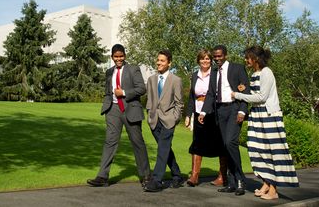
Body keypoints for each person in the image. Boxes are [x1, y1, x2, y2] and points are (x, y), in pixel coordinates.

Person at [231, 46, 299, 200]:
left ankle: (273, 191)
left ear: (255, 58)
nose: (246, 60)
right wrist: (246, 89)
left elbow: (262, 97)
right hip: (257, 116)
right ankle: (266, 183)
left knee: (271, 152)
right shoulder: (256, 73)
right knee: (257, 149)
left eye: (248, 57)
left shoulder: (267, 72)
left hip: (268, 116)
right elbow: (256, 94)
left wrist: (238, 95)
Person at [87, 44, 151, 188]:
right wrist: (107, 105)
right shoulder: (109, 72)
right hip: (113, 111)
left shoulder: (133, 69)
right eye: (116, 57)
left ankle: (146, 176)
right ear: (112, 57)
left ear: (125, 56)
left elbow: (141, 88)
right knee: (109, 142)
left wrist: (124, 92)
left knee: (137, 142)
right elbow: (107, 91)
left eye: (121, 56)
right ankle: (102, 177)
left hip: (131, 109)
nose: (119, 59)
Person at [198, 45, 250, 196]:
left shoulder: (237, 68)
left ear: (225, 55)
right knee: (225, 147)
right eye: (215, 57)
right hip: (220, 111)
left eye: (219, 56)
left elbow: (245, 90)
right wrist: (203, 112)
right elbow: (210, 94)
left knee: (230, 142)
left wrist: (242, 110)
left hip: (234, 109)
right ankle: (231, 182)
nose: (217, 59)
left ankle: (240, 179)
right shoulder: (214, 72)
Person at [185, 49, 228, 187]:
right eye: (202, 58)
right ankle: (194, 175)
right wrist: (188, 114)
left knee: (220, 143)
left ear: (211, 61)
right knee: (197, 143)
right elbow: (191, 97)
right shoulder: (194, 75)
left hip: (214, 112)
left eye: (208, 59)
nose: (205, 61)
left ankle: (222, 176)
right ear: (198, 60)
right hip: (198, 112)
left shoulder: (216, 73)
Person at [143, 49, 184, 192]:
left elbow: (179, 103)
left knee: (162, 148)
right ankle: (177, 175)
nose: (158, 62)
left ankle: (156, 180)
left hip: (168, 120)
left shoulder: (176, 80)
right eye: (158, 60)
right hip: (154, 120)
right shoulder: (151, 79)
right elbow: (149, 100)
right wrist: (149, 115)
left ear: (169, 63)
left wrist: (174, 119)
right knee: (165, 149)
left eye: (162, 60)